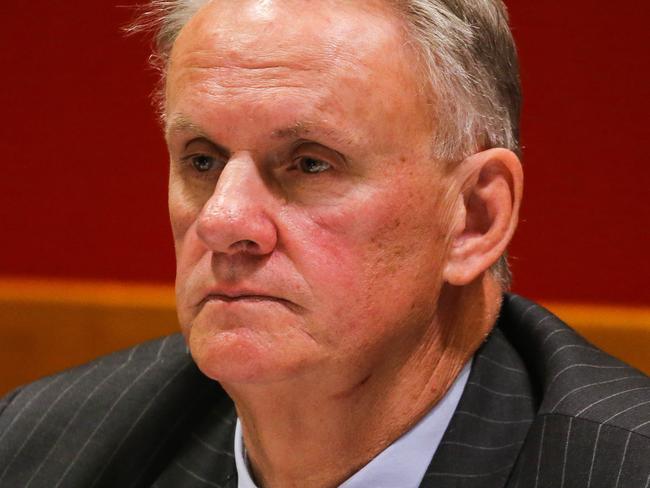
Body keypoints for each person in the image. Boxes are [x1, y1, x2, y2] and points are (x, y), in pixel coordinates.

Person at [0, 0, 648, 487]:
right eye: (202, 161)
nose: (223, 220)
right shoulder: (42, 450)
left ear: (474, 216)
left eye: (309, 164)